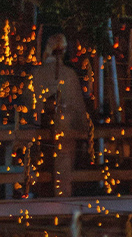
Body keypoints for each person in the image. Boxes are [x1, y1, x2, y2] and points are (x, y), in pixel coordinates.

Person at [26, 33, 92, 196]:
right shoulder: (68, 75)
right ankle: (62, 210)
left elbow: (28, 104)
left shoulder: (37, 74)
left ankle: (42, 207)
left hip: (39, 132)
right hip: (65, 133)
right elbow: (77, 107)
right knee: (63, 175)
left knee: (41, 172)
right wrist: (84, 129)